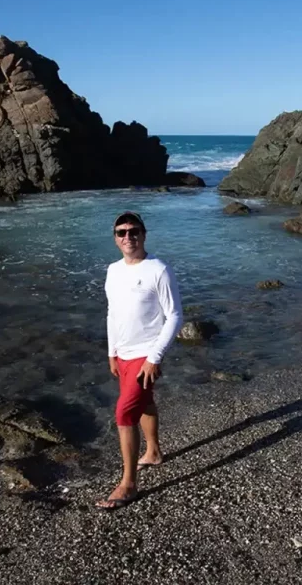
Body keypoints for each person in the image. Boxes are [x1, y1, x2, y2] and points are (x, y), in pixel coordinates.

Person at [97, 211, 182, 510]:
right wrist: (111, 352)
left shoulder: (158, 270)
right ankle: (154, 453)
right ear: (115, 238)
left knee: (123, 413)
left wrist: (155, 357)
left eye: (134, 231)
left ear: (144, 234)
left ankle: (128, 483)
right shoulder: (112, 270)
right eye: (121, 232)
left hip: (147, 353)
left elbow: (174, 316)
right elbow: (112, 313)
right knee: (143, 402)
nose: (128, 237)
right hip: (123, 354)